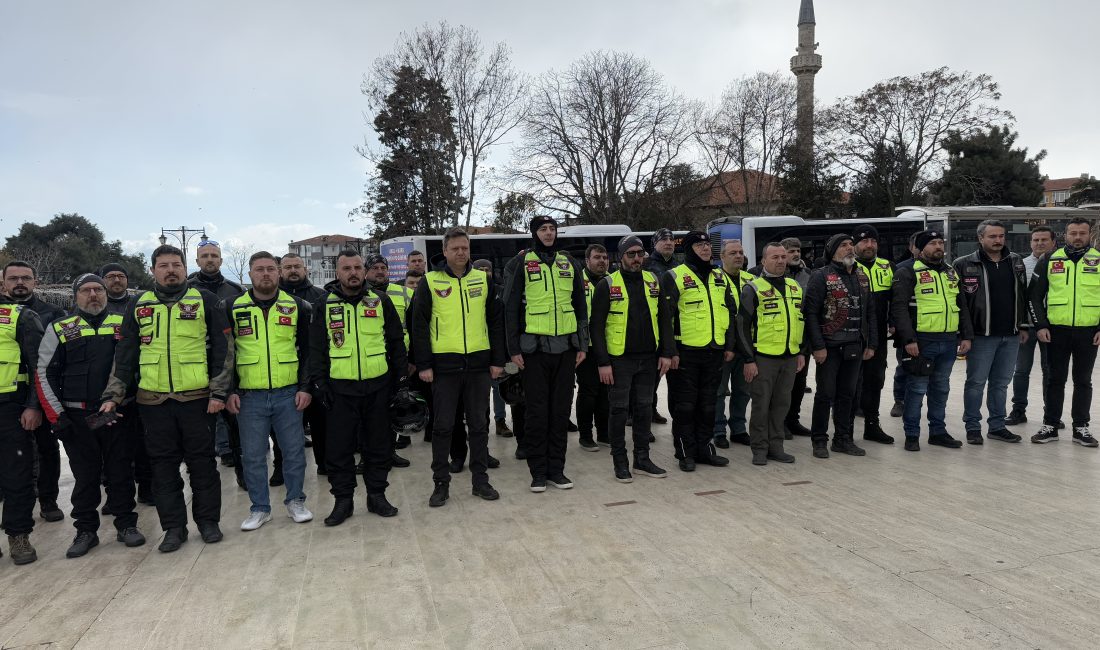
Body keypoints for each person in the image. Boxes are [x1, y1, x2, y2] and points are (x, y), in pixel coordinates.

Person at [100, 244, 234, 552]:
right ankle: (174, 528)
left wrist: (218, 392)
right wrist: (113, 395)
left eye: (176, 264)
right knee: (162, 469)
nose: (170, 270)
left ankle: (208, 522)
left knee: (203, 466)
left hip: (198, 400)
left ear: (186, 269)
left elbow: (225, 350)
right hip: (153, 403)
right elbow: (125, 354)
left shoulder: (206, 300)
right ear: (153, 271)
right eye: (164, 265)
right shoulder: (139, 304)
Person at [35, 274, 147, 557]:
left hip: (119, 413)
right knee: (85, 477)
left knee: (121, 471)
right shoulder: (60, 328)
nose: (93, 295)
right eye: (86, 290)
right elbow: (43, 373)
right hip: (77, 417)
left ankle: (126, 525)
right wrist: (56, 416)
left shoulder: (123, 323)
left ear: (106, 293)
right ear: (76, 296)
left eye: (98, 289)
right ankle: (85, 530)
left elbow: (138, 365)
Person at [309, 250, 407, 525]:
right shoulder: (323, 304)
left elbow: (396, 343)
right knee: (339, 450)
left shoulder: (381, 301)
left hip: (379, 387)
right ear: (337, 273)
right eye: (346, 268)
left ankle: (377, 496)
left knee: (379, 445)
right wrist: (320, 384)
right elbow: (316, 349)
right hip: (339, 391)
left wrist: (400, 383)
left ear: (364, 271)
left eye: (356, 267)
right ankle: (343, 501)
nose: (352, 272)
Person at [411, 229, 506, 507]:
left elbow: (496, 322)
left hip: (478, 365)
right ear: (445, 250)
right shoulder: (430, 281)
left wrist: (497, 360)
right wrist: (425, 365)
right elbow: (419, 325)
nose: (461, 253)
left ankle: (481, 481)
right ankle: (441, 484)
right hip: (444, 366)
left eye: (465, 248)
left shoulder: (483, 280)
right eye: (455, 248)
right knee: (443, 427)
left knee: (478, 424)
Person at [226, 252, 314, 531]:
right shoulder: (230, 307)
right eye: (259, 270)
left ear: (278, 273)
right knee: (252, 455)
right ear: (250, 274)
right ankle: (260, 508)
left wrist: (305, 388)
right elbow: (224, 354)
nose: (265, 274)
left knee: (293, 452)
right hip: (249, 396)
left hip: (288, 393)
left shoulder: (299, 306)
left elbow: (308, 352)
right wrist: (229, 391)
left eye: (270, 269)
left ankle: (295, 501)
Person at [503, 215, 588, 492]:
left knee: (560, 412)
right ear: (534, 233)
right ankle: (538, 472)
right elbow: (511, 309)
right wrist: (513, 349)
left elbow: (580, 307)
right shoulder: (521, 263)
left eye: (552, 229)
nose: (549, 233)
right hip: (534, 352)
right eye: (543, 229)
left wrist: (582, 344)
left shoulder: (569, 263)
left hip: (565, 350)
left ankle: (557, 471)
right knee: (537, 414)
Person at [590, 235, 673, 482]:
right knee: (618, 410)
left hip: (649, 358)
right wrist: (603, 362)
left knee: (644, 409)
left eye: (640, 254)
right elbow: (596, 327)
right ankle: (620, 462)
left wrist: (667, 353)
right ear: (621, 257)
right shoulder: (607, 284)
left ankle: (642, 459)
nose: (637, 258)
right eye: (631, 254)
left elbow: (664, 319)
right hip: (619, 360)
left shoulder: (653, 281)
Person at [891, 230, 974, 451]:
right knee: (917, 389)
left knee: (941, 389)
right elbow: (899, 309)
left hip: (948, 340)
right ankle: (912, 435)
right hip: (921, 341)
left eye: (940, 243)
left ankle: (938, 432)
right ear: (920, 248)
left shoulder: (950, 271)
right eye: (932, 243)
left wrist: (966, 335)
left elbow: (962, 305)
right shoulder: (907, 271)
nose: (938, 246)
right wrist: (908, 339)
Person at [660, 231, 736, 472]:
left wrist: (729, 345)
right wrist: (669, 351)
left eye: (707, 245)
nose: (705, 249)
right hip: (685, 353)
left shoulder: (719, 277)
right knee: (685, 406)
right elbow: (665, 318)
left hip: (713, 351)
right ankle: (685, 451)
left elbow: (730, 314)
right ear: (690, 249)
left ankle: (705, 449)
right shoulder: (674, 276)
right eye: (699, 245)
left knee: (708, 405)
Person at [954, 220, 1029, 444]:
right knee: (976, 383)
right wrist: (964, 334)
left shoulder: (1015, 261)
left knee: (1001, 384)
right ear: (980, 238)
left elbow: (1022, 295)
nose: (998, 241)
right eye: (992, 237)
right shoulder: (964, 264)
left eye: (1001, 236)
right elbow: (959, 303)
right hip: (980, 336)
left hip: (1011, 335)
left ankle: (997, 426)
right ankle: (972, 427)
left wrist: (1022, 325)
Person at [802, 234, 877, 459]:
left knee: (848, 395)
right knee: (825, 394)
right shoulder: (821, 276)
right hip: (830, 346)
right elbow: (810, 314)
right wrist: (818, 346)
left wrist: (871, 343)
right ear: (832, 251)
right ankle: (819, 440)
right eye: (843, 246)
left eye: (850, 245)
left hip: (855, 345)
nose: (849, 249)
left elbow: (870, 312)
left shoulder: (862, 276)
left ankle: (843, 439)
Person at [1028, 217, 1100, 446]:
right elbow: (1034, 296)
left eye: (1082, 233)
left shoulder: (1098, 260)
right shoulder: (1050, 259)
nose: (1077, 237)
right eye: (1073, 233)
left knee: (1083, 380)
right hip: (1056, 331)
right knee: (1055, 379)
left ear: (1089, 235)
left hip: (1088, 331)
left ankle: (1081, 427)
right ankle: (1050, 425)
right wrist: (1040, 325)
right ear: (1065, 235)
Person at [2, 261, 64, 523]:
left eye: (25, 278)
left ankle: (48, 500)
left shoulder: (52, 312)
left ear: (35, 282)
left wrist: (39, 403)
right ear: (4, 283)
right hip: (10, 399)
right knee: (13, 458)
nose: (19, 283)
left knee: (47, 448)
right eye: (13, 278)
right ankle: (14, 502)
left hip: (42, 394)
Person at [736, 243, 806, 466]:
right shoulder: (752, 288)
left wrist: (801, 353)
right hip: (763, 357)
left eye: (783, 257)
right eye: (775, 257)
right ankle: (759, 448)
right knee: (761, 405)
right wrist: (749, 359)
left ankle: (776, 446)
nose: (780, 261)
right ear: (763, 261)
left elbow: (799, 321)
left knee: (781, 405)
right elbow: (742, 327)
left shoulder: (795, 286)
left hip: (790, 356)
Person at [187, 239, 246, 476]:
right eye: (205, 256)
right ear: (197, 260)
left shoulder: (235, 290)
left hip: (229, 364)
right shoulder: (186, 289)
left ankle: (242, 470)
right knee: (200, 425)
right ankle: (202, 468)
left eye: (214, 255)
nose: (209, 259)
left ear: (221, 260)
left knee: (234, 421)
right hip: (195, 365)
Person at [98, 262, 153, 505]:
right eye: (110, 277)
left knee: (143, 442)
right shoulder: (95, 307)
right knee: (110, 446)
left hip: (136, 388)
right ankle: (114, 494)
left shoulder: (137, 305)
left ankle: (147, 488)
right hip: (101, 392)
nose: (116, 280)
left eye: (121, 276)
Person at [0, 274, 44, 564]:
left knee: (17, 475)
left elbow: (39, 365)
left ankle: (18, 536)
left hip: (11, 407)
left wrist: (33, 406)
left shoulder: (20, 316)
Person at [279, 252, 328, 474]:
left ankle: (325, 464)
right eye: (287, 267)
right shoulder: (272, 297)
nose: (292, 270)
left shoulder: (321, 296)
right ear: (281, 271)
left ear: (305, 269)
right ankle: (281, 467)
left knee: (320, 422)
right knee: (283, 426)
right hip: (284, 370)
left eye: (296, 266)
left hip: (315, 368)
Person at [364, 254, 414, 463]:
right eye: (375, 267)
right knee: (367, 414)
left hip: (398, 361)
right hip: (369, 362)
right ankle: (366, 457)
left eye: (383, 267)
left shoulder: (405, 293)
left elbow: (416, 328)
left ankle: (390, 452)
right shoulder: (358, 294)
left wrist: (414, 361)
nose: (380, 271)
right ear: (367, 271)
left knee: (393, 408)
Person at [1006, 226, 1057, 426]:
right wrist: (1021, 326)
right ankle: (1018, 410)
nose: (1040, 243)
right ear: (1030, 243)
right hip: (1026, 328)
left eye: (1044, 240)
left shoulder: (1060, 264)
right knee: (1021, 371)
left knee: (1050, 371)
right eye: (1035, 240)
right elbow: (1017, 298)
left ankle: (1050, 414)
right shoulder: (1020, 265)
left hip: (1052, 328)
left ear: (1053, 242)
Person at [713, 239, 755, 448]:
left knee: (743, 390)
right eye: (732, 253)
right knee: (719, 392)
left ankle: (738, 428)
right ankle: (718, 430)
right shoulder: (713, 279)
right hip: (723, 347)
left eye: (740, 252)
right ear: (722, 257)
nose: (738, 256)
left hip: (746, 346)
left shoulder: (751, 280)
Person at [576, 244, 611, 450]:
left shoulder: (613, 280)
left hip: (610, 345)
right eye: (597, 257)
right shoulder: (578, 281)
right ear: (587, 261)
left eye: (605, 257)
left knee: (607, 393)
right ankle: (585, 435)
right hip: (586, 347)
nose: (602, 261)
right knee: (589, 392)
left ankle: (604, 433)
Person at [474, 258, 512, 438]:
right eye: (480, 269)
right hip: (478, 349)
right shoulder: (469, 292)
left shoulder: (501, 291)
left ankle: (500, 421)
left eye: (487, 269)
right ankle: (481, 423)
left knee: (502, 386)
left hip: (502, 350)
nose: (484, 272)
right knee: (479, 391)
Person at [641, 228, 676, 425]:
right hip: (650, 327)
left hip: (673, 327)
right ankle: (642, 412)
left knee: (665, 376)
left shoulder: (679, 265)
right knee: (649, 378)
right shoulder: (646, 265)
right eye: (664, 240)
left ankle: (653, 410)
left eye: (672, 240)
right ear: (655, 243)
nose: (669, 242)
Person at [779, 237, 813, 439]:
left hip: (802, 338)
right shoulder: (764, 275)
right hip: (777, 339)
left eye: (797, 250)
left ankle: (793, 420)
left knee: (799, 384)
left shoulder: (809, 275)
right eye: (790, 251)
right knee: (781, 385)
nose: (795, 254)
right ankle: (779, 422)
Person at [890, 233, 922, 419]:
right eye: (918, 245)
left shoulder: (943, 270)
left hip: (931, 329)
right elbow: (895, 302)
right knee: (904, 366)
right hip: (907, 329)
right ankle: (899, 400)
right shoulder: (902, 269)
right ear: (911, 247)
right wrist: (895, 325)